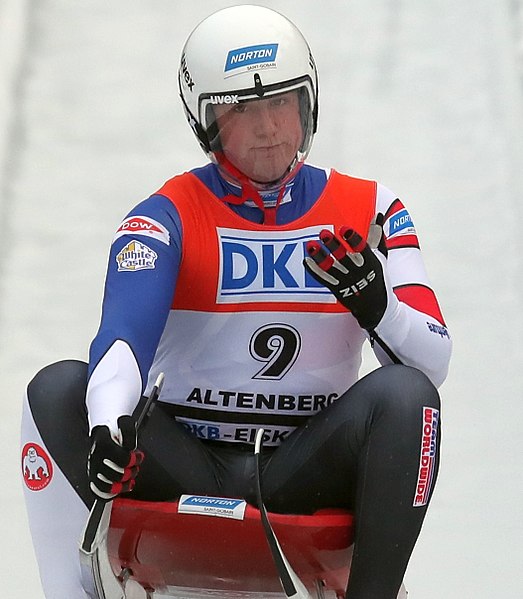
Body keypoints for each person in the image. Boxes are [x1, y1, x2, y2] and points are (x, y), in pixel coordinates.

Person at [21, 5, 452, 599]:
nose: (269, 127)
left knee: (408, 399)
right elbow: (122, 340)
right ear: (208, 123)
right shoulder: (163, 216)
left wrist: (379, 307)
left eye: (281, 103)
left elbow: (431, 370)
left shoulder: (374, 208)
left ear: (309, 106)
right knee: (56, 389)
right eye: (244, 110)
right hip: (187, 463)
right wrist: (108, 423)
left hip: (305, 469)